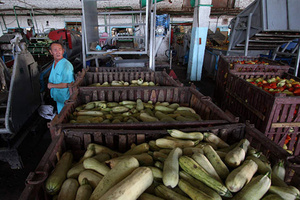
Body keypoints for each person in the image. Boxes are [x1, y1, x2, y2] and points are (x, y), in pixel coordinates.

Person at [47, 42, 74, 113]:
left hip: (66, 99)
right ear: (51, 52)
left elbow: (66, 84)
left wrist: (51, 85)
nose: (58, 52)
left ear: (63, 51)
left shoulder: (66, 65)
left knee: (65, 116)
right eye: (55, 50)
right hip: (58, 98)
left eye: (59, 49)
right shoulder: (55, 63)